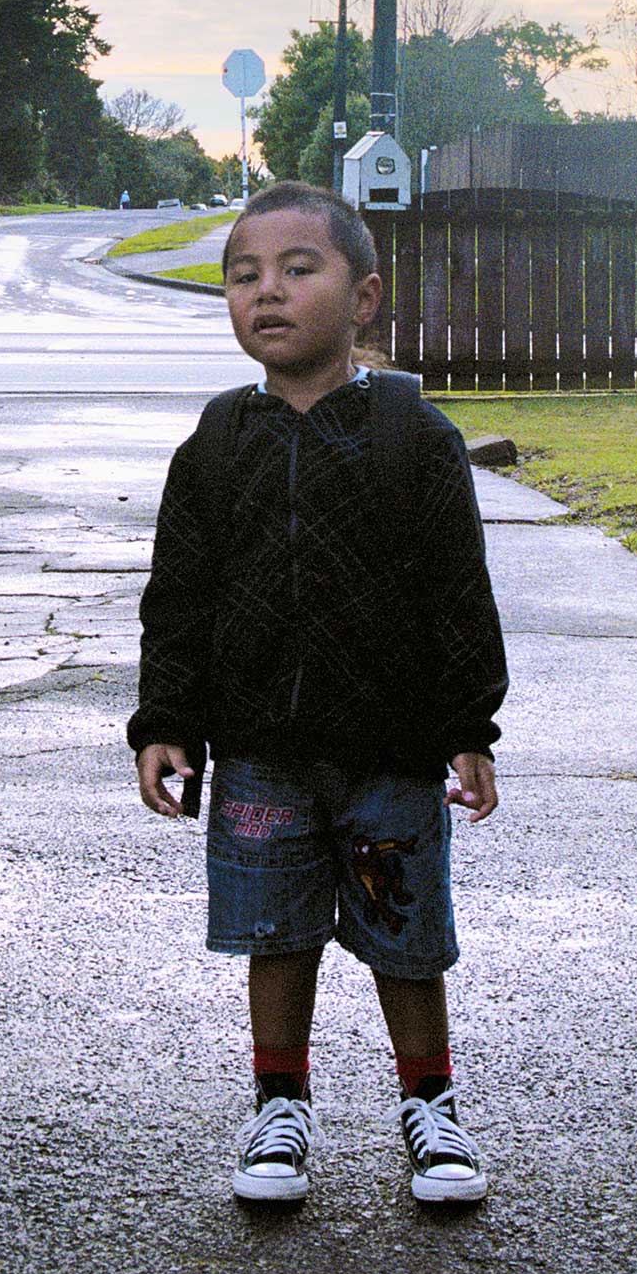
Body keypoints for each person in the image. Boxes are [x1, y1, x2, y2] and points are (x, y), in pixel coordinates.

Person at [129, 181, 508, 1210]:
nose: (268, 292)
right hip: (256, 751)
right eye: (243, 275)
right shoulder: (215, 443)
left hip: (390, 749)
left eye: (300, 269)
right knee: (276, 933)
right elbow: (179, 597)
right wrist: (164, 721)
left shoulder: (409, 436)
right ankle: (278, 1105)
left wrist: (469, 725)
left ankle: (431, 1108)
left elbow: (456, 592)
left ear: (365, 294)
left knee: (404, 934)